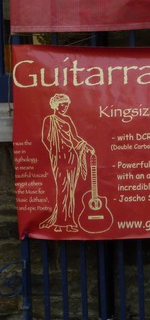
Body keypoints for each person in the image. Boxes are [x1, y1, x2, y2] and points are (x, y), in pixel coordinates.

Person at [40, 94, 94, 233]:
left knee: (71, 189)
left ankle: (70, 221)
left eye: (66, 105)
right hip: (59, 158)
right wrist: (55, 151)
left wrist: (86, 146)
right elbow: (46, 139)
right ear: (56, 105)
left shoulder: (68, 120)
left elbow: (75, 138)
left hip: (72, 157)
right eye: (62, 105)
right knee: (62, 189)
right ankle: (60, 222)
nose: (64, 108)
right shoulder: (49, 120)